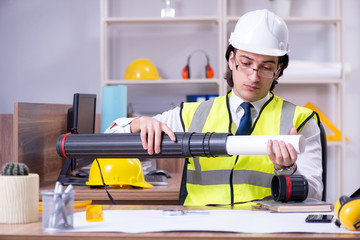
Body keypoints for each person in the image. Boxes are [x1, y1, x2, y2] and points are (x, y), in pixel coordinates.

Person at [105, 9, 323, 206]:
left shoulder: (300, 120)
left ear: (278, 70)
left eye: (266, 67)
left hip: (265, 227)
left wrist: (288, 170)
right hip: (200, 227)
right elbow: (109, 138)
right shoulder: (193, 114)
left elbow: (314, 194)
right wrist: (137, 123)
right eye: (246, 63)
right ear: (231, 59)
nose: (253, 76)